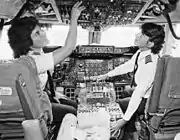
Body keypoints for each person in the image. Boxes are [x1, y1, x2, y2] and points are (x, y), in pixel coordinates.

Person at [7, 1, 85, 139]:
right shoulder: (33, 62)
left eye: (40, 29)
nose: (43, 33)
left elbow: (39, 86)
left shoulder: (38, 53)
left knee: (74, 103)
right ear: (28, 44)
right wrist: (74, 18)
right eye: (37, 33)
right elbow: (69, 48)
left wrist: (30, 12)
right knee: (72, 111)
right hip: (37, 109)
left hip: (44, 98)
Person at [91, 23, 165, 139]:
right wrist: (106, 75)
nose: (137, 35)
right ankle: (132, 127)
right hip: (144, 92)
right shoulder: (142, 52)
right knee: (126, 92)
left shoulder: (150, 63)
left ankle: (128, 133)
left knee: (120, 104)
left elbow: (139, 93)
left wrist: (123, 120)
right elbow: (128, 66)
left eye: (142, 35)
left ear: (150, 43)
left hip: (146, 100)